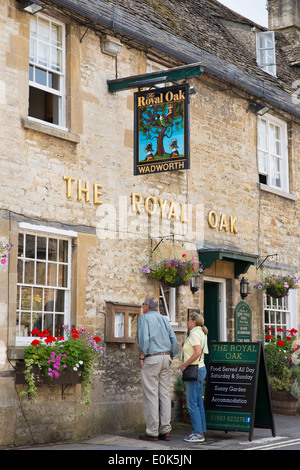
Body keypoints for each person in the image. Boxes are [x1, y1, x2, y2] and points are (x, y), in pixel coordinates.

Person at [138, 297, 178, 441]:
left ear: (148, 306)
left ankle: (152, 431)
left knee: (151, 394)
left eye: (143, 305)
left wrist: (142, 356)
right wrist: (172, 355)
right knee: (165, 394)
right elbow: (173, 339)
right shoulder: (164, 319)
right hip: (166, 357)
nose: (142, 307)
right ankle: (166, 430)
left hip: (152, 357)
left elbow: (145, 339)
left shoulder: (144, 319)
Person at [180, 311, 208, 443]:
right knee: (198, 403)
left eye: (189, 320)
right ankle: (201, 431)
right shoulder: (200, 332)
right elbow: (196, 350)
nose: (187, 322)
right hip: (200, 369)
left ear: (194, 322)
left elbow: (197, 352)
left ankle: (197, 434)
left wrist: (184, 365)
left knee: (191, 404)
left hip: (194, 370)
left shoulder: (195, 333)